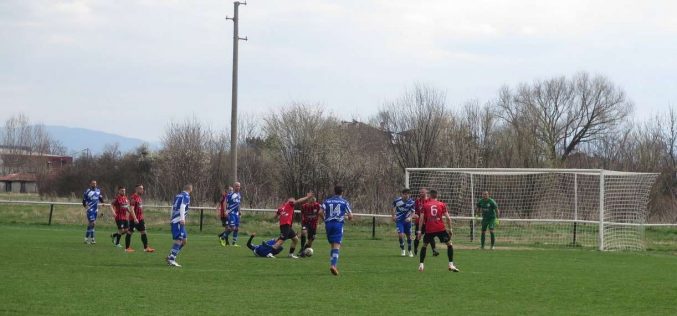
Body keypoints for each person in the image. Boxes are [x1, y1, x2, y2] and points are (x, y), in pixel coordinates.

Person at [417, 189, 459, 272]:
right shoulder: (442, 204)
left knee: (424, 245)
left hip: (429, 229)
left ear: (430, 196)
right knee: (449, 244)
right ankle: (451, 265)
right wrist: (450, 229)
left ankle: (421, 265)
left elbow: (421, 219)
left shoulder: (425, 205)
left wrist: (419, 231)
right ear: (437, 196)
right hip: (440, 228)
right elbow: (448, 218)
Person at [319, 186, 353, 276]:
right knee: (337, 246)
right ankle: (333, 265)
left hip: (328, 224)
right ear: (342, 192)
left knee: (332, 246)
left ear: (334, 192)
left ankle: (332, 264)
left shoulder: (327, 201)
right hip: (338, 224)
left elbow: (320, 212)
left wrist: (325, 219)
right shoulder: (344, 202)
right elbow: (350, 216)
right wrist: (345, 217)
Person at [274, 192, 314, 259]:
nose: (294, 201)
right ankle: (269, 252)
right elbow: (298, 201)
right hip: (285, 225)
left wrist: (279, 217)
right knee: (282, 240)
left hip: (287, 226)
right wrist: (307, 197)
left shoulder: (282, 207)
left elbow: (276, 216)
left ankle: (290, 254)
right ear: (289, 200)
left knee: (295, 239)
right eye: (293, 200)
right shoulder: (290, 204)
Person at [166, 184, 192, 267]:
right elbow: (182, 206)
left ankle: (170, 256)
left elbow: (172, 207)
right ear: (190, 189)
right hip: (178, 221)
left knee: (184, 241)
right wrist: (182, 218)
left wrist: (171, 217)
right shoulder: (186, 196)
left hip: (176, 219)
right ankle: (172, 259)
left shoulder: (178, 195)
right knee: (179, 240)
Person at [127, 184, 155, 253]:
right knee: (130, 232)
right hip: (134, 219)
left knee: (144, 232)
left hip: (140, 218)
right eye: (140, 189)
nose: (142, 190)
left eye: (142, 189)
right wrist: (135, 218)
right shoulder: (133, 197)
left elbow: (139, 208)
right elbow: (131, 209)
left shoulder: (139, 197)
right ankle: (127, 248)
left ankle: (146, 248)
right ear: (136, 189)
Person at [413, 188, 438, 256]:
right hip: (419, 222)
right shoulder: (417, 201)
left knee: (431, 236)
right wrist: (415, 215)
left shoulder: (430, 200)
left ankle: (434, 250)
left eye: (422, 192)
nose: (421, 194)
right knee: (418, 236)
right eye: (420, 192)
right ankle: (415, 249)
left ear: (426, 193)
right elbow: (415, 211)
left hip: (428, 222)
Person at [110, 186, 136, 250]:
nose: (123, 192)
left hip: (125, 217)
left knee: (126, 230)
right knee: (121, 230)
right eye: (122, 190)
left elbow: (126, 207)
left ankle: (114, 235)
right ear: (119, 191)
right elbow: (111, 205)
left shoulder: (126, 199)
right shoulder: (117, 198)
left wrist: (131, 213)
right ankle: (117, 243)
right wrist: (113, 212)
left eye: (124, 190)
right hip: (119, 217)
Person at [392, 188, 415, 257]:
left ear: (409, 194)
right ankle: (402, 249)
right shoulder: (397, 200)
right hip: (399, 221)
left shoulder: (412, 202)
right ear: (402, 194)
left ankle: (410, 250)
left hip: (407, 221)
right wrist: (393, 216)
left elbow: (413, 211)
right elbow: (393, 207)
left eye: (408, 194)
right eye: (405, 194)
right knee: (401, 235)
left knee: (409, 236)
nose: (406, 195)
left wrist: (410, 218)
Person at [82, 180, 104, 244]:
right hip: (90, 210)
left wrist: (103, 203)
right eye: (93, 183)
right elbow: (83, 201)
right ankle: (92, 239)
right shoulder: (87, 191)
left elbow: (100, 198)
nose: (94, 184)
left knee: (91, 224)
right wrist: (86, 207)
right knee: (93, 223)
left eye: (95, 183)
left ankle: (86, 239)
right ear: (90, 184)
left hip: (95, 210)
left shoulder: (98, 191)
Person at [223, 182, 242, 246]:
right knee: (232, 228)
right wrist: (225, 211)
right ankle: (223, 237)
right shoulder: (230, 194)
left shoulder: (239, 194)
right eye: (236, 186)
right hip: (231, 213)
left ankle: (234, 243)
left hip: (236, 214)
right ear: (234, 187)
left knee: (237, 229)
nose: (238, 187)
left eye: (239, 186)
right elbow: (225, 202)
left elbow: (238, 204)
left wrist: (239, 211)